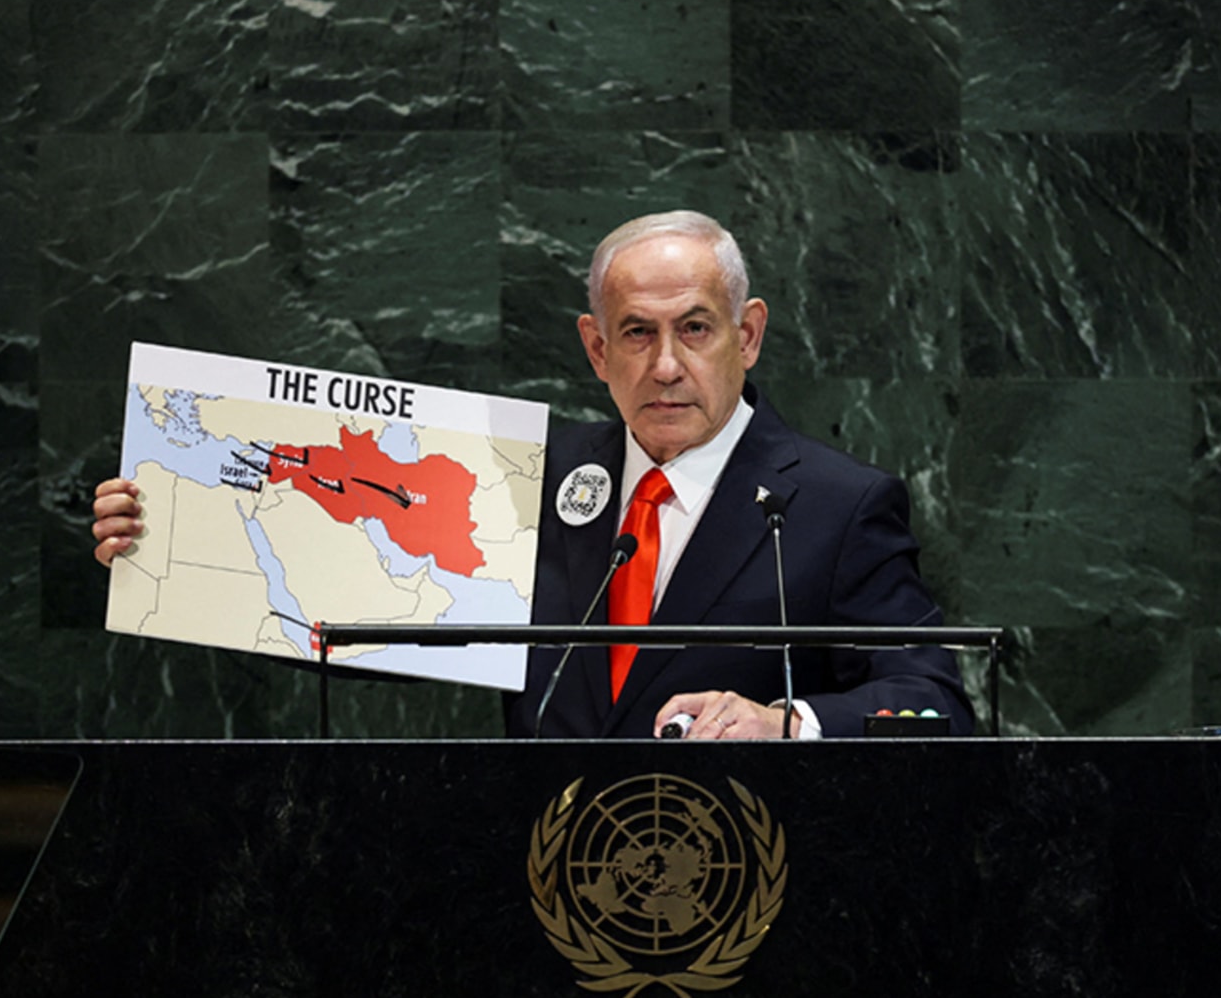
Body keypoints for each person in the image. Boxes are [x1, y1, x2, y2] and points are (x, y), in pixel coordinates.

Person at [92, 211, 972, 740]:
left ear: (747, 336)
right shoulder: (521, 479)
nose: (666, 365)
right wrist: (165, 529)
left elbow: (934, 702)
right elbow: (375, 611)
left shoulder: (838, 505)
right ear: (596, 348)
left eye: (696, 329)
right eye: (637, 333)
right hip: (541, 879)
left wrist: (785, 723)